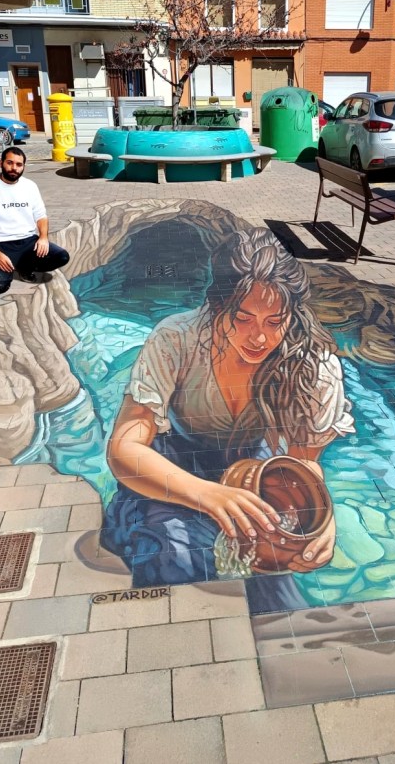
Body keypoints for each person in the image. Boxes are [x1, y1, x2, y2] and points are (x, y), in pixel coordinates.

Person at [102, 227, 355, 609]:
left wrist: (322, 520)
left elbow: (304, 462)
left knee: (280, 604)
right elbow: (125, 447)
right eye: (243, 318)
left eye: (275, 321)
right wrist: (207, 494)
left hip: (257, 477)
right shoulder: (179, 339)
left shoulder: (311, 365)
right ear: (218, 306)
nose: (259, 338)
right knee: (175, 561)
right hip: (174, 471)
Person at [0, 147, 70, 294]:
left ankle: (24, 267)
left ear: (23, 166)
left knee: (61, 257)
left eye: (19, 164)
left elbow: (41, 215)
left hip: (28, 241)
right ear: (1, 163)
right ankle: (6, 268)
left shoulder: (30, 186)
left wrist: (43, 237)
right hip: (0, 244)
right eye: (9, 163)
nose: (14, 168)